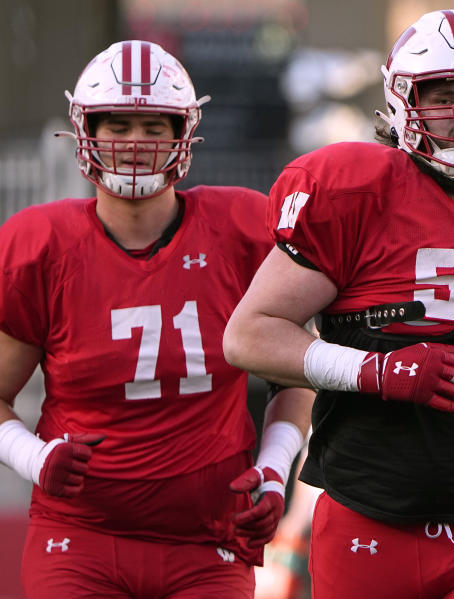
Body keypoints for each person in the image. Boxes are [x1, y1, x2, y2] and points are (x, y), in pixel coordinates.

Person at [222, 9, 454, 599]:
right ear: (403, 102)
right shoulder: (353, 194)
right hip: (368, 513)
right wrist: (372, 370)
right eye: (445, 94)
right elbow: (249, 334)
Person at [0, 40, 313, 599]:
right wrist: (33, 456)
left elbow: (295, 373)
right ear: (86, 130)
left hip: (208, 538)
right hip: (81, 536)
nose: (135, 143)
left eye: (152, 125)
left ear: (182, 133)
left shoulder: (240, 228)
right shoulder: (41, 246)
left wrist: (273, 467)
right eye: (118, 125)